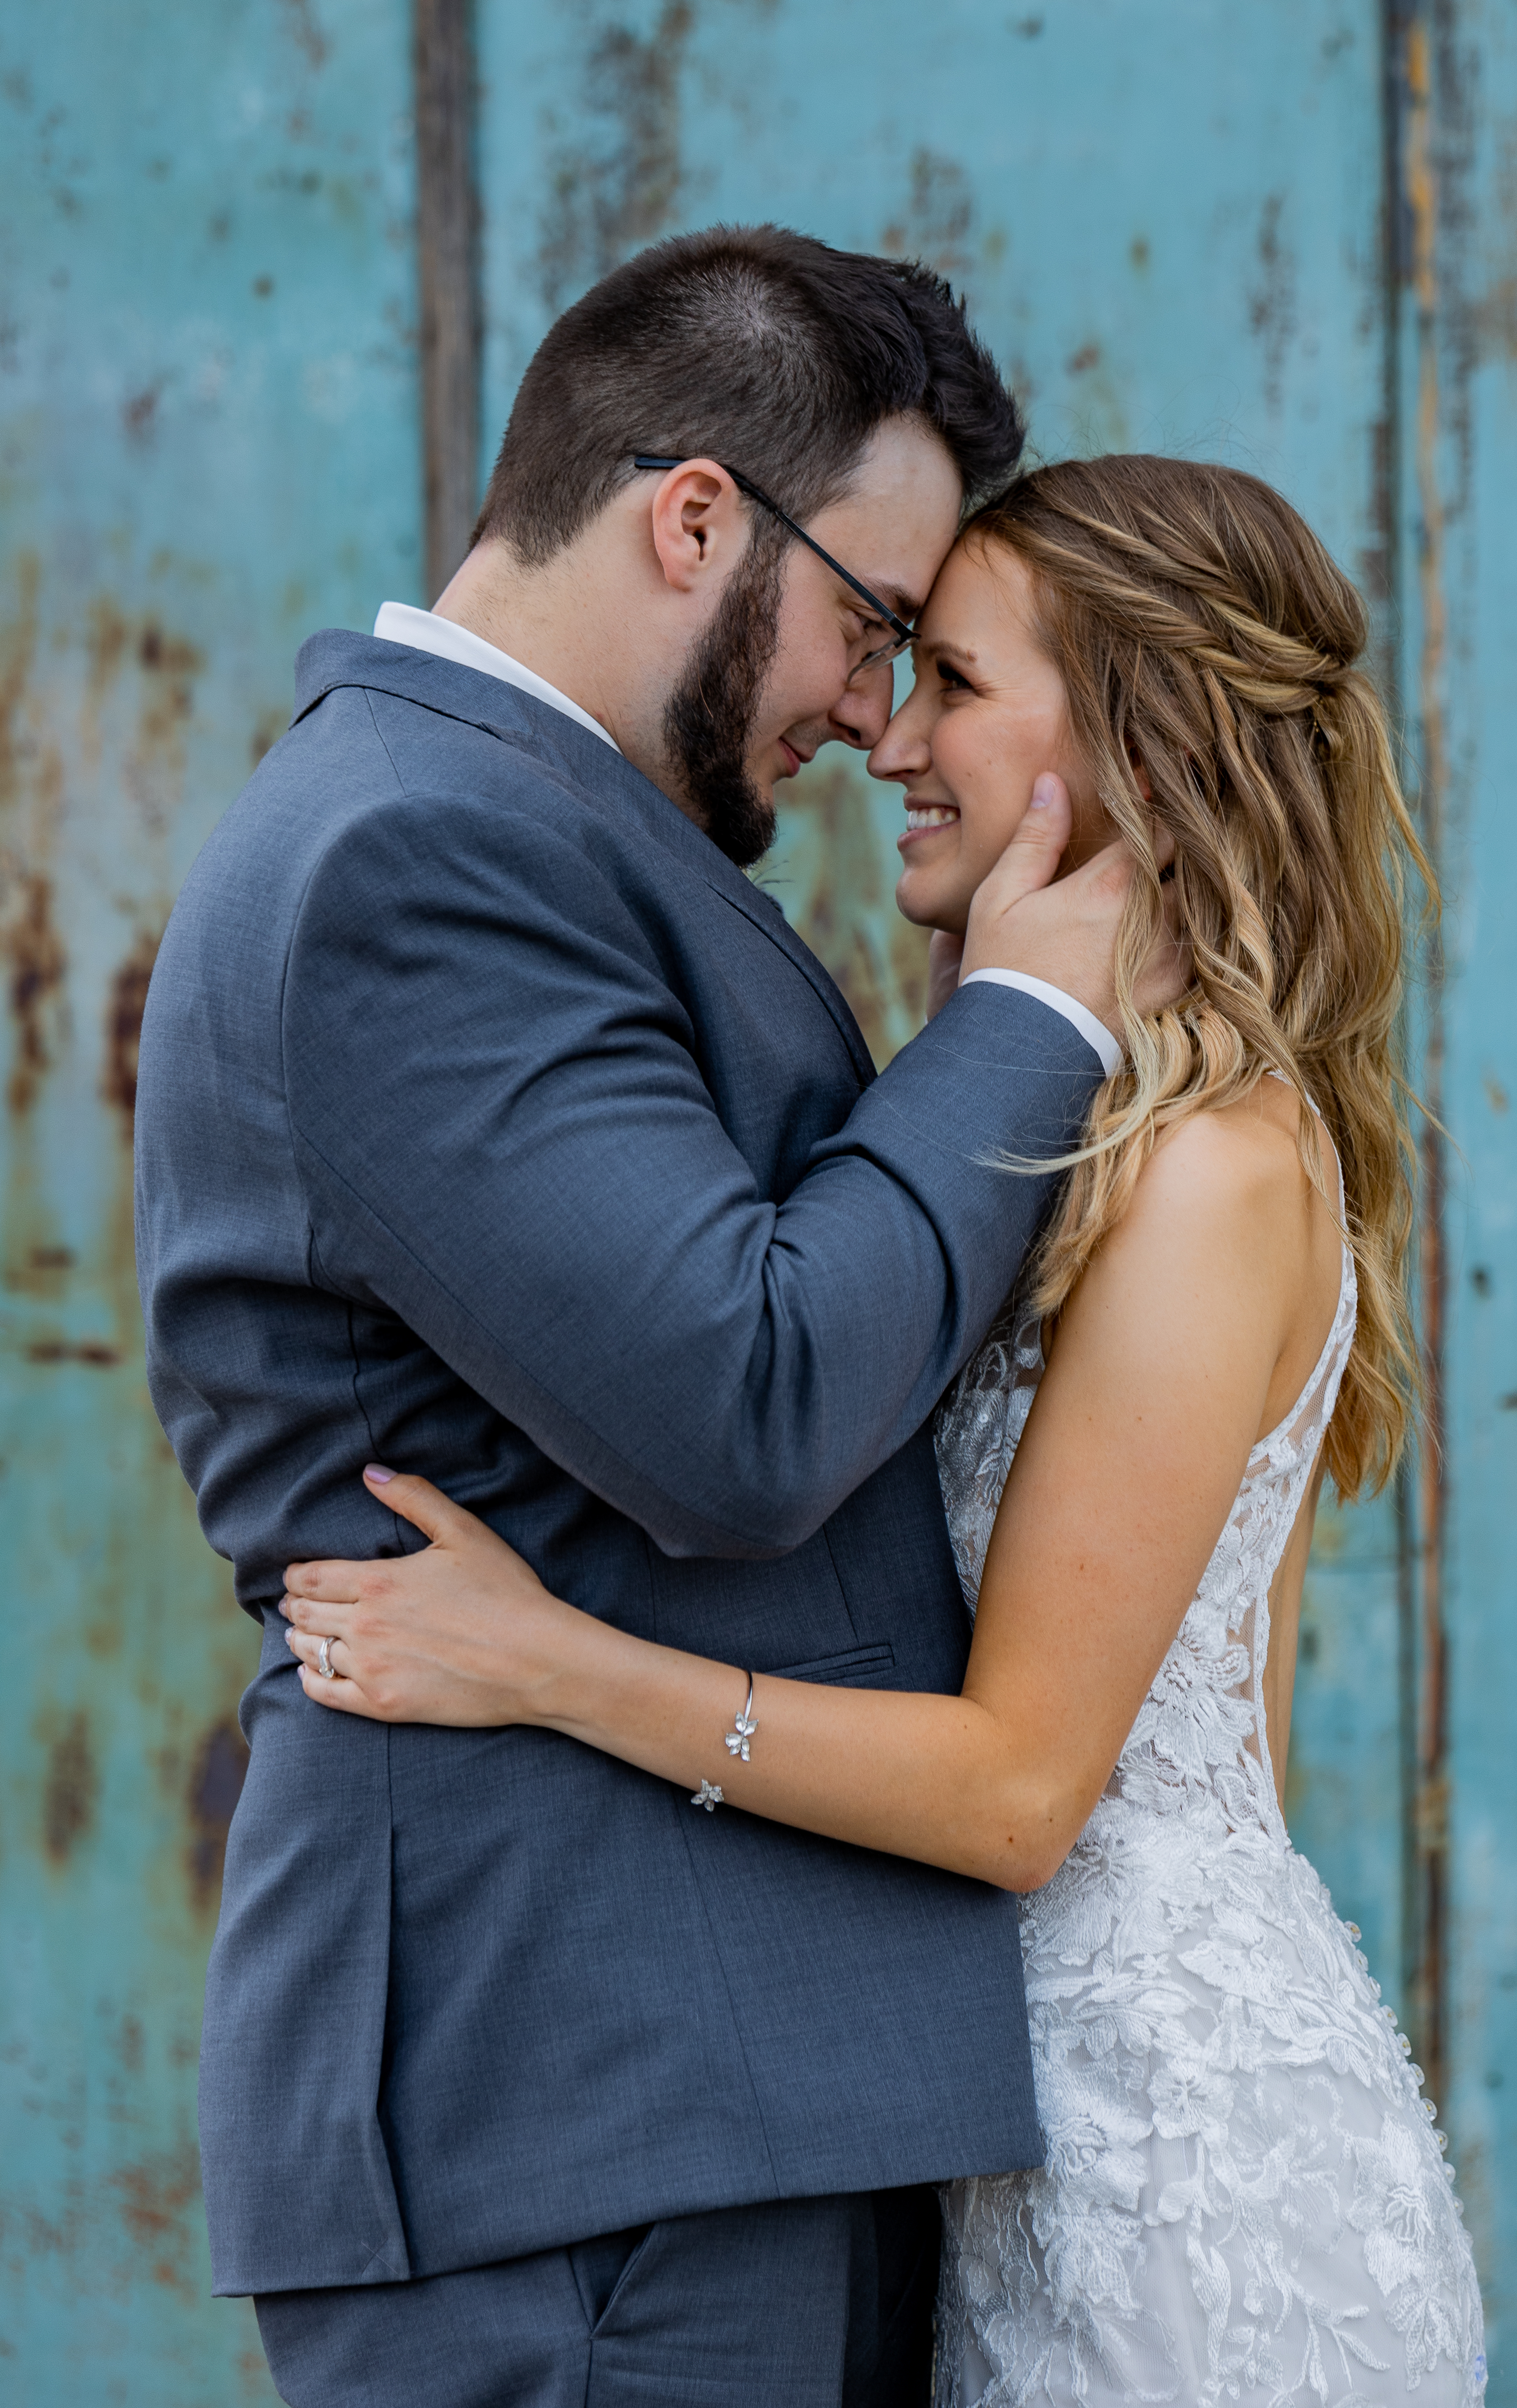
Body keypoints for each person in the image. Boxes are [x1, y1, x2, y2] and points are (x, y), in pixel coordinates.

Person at [279, 456, 1489, 2406]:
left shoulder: (1209, 1177)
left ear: (1145, 746)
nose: (893, 740)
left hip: (1169, 2186)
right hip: (1026, 2134)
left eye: (959, 683)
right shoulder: (1065, 1151)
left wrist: (550, 1665)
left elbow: (1027, 1798)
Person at [134, 228, 1184, 2407]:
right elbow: (748, 1401)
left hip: (689, 2099)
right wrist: (1025, 1022)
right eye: (868, 624)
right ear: (694, 518)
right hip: (581, 2112)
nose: (872, 716)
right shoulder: (413, 855)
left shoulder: (512, 829)